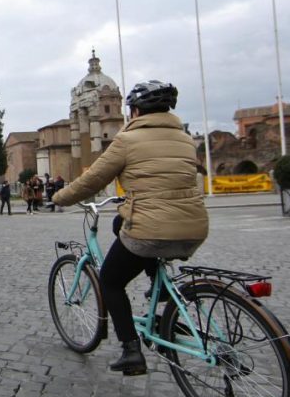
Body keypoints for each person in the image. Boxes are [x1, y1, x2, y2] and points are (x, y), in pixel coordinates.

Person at [53, 80, 208, 375]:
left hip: (152, 230)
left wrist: (59, 196)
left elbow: (92, 180)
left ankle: (131, 350)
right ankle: (159, 287)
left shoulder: (127, 140)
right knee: (119, 221)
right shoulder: (186, 140)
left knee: (110, 281)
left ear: (135, 111)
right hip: (195, 227)